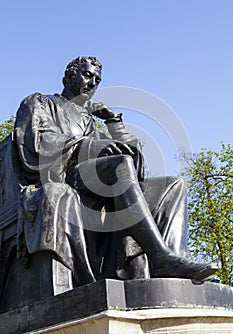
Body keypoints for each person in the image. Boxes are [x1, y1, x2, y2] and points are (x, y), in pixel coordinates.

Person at [14, 56, 217, 287]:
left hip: (99, 181)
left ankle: (175, 261)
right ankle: (159, 256)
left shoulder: (89, 122)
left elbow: (134, 157)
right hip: (64, 174)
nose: (92, 83)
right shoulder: (40, 103)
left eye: (97, 80)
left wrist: (113, 121)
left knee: (173, 185)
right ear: (68, 77)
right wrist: (89, 146)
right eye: (87, 75)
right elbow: (37, 142)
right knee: (119, 165)